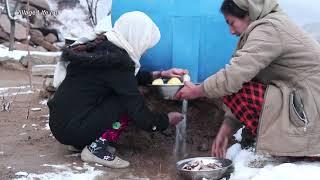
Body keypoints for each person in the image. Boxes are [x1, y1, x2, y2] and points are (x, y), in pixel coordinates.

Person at [175, 0, 320, 159]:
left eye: (232, 23)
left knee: (230, 84)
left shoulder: (270, 29)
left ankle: (297, 146)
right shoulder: (268, 27)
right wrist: (227, 128)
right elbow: (244, 77)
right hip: (304, 104)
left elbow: (235, 75)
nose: (231, 31)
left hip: (311, 113)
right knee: (231, 84)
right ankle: (286, 142)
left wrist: (197, 90)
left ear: (249, 14)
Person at [48, 11, 187, 168]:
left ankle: (82, 142)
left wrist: (160, 75)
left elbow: (120, 80)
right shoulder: (118, 62)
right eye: (146, 44)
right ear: (137, 37)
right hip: (72, 128)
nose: (146, 50)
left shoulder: (102, 48)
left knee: (125, 93)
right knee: (128, 100)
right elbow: (140, 114)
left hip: (59, 123)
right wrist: (166, 120)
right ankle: (96, 149)